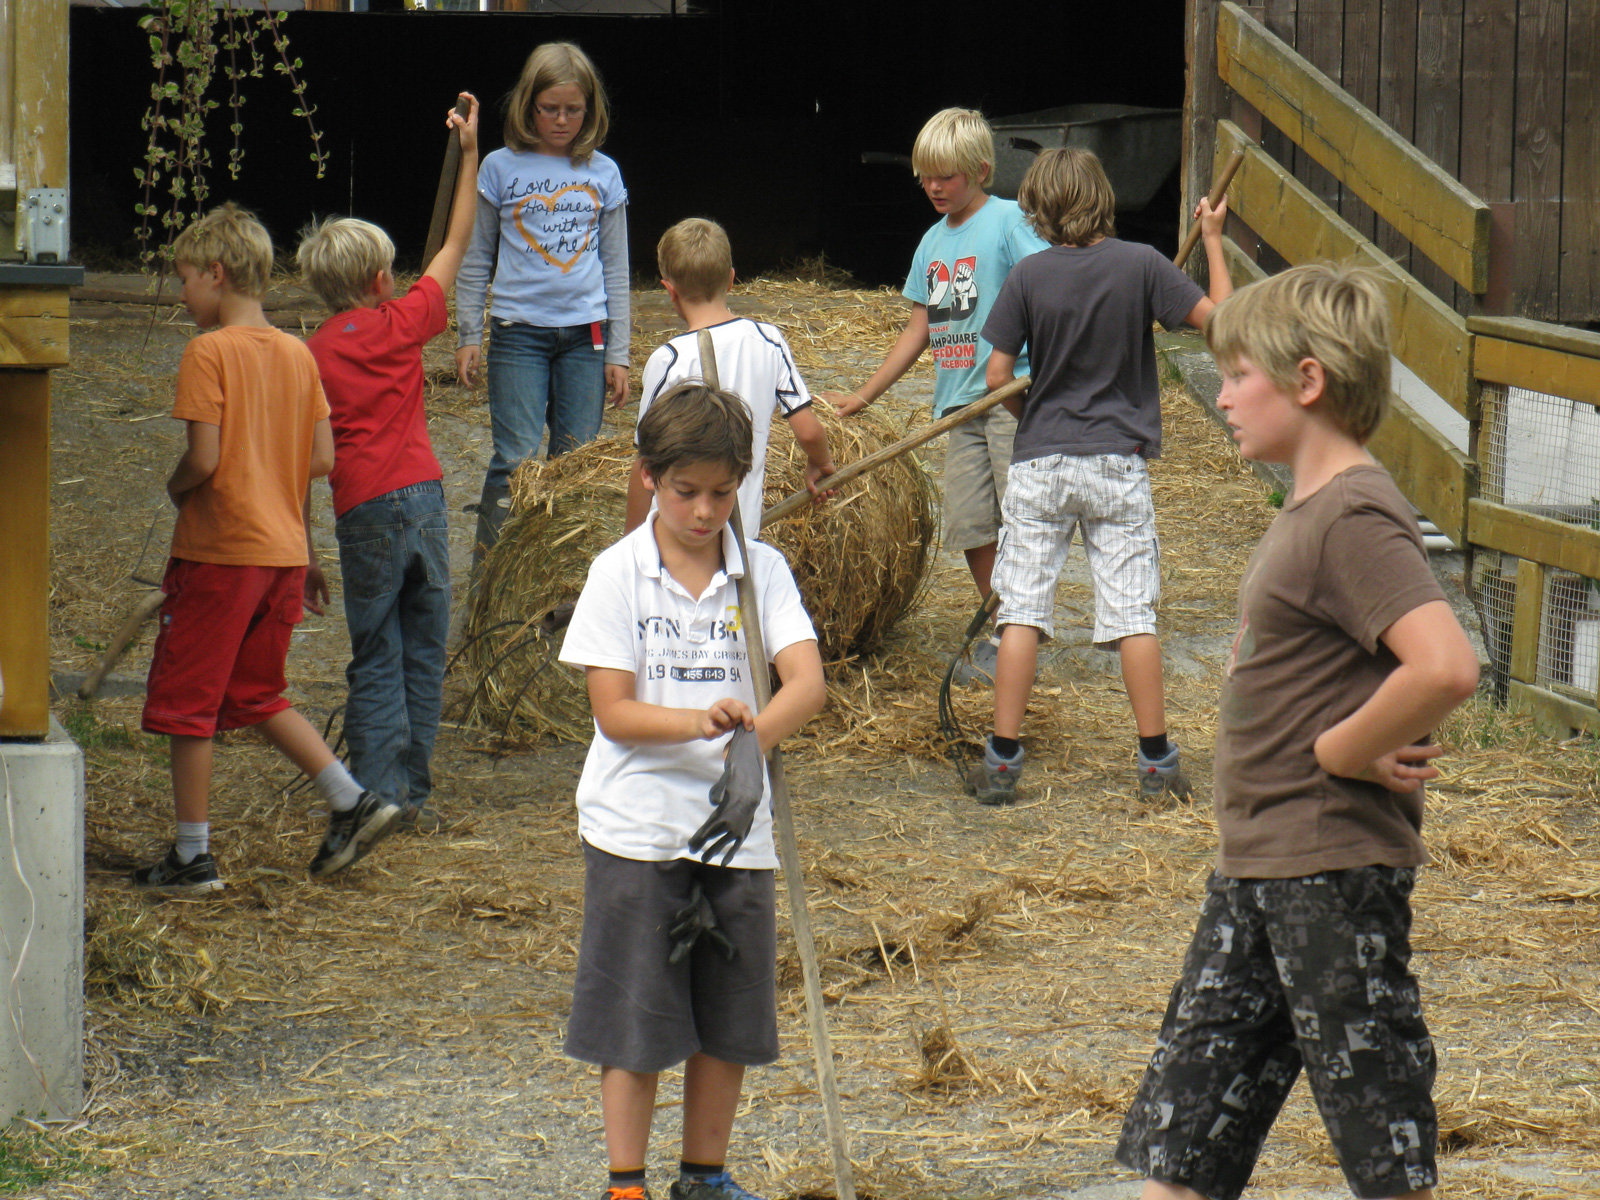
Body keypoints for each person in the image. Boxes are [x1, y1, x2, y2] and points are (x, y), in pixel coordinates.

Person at [1116, 262, 1480, 1200]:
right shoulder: (1309, 507)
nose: (1224, 396)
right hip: (1258, 867)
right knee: (1179, 1148)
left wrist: (1341, 749)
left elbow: (1443, 663)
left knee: (1384, 1157)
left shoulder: (1353, 512)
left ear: (1307, 381)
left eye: (1239, 375)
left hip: (1329, 876)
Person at [558, 384, 826, 1200]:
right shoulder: (618, 574)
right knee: (635, 1020)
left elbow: (805, 682)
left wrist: (756, 743)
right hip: (639, 830)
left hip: (736, 831)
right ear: (648, 479)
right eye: (686, 492)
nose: (705, 511)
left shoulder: (761, 572)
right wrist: (704, 723)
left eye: (722, 491)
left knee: (729, 1018)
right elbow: (614, 711)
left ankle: (703, 1177)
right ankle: (625, 1183)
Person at [134, 204, 398, 894]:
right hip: (280, 554)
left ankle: (192, 855)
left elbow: (205, 458)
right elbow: (319, 459)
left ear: (217, 274)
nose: (184, 294)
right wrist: (307, 552)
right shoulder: (296, 354)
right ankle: (351, 799)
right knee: (256, 692)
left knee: (189, 703)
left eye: (186, 280)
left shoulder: (208, 352)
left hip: (221, 552)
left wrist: (175, 485)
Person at [967, 147, 1231, 804]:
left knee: (1022, 609)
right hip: (1116, 462)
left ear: (1041, 210)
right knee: (1131, 612)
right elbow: (1225, 328)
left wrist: (1036, 415)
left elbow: (997, 377)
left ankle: (1001, 761)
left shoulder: (1029, 276)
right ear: (1101, 195)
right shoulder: (1143, 265)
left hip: (1041, 463)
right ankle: (1156, 762)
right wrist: (1216, 242)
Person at [296, 93, 479, 835]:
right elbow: (459, 243)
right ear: (380, 281)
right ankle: (416, 796)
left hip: (362, 511)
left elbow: (304, 459)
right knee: (422, 655)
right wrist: (469, 155)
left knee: (376, 653)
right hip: (425, 502)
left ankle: (378, 796)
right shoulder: (404, 323)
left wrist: (304, 550)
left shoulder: (311, 355)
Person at [820, 107, 1048, 680]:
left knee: (1020, 517)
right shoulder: (930, 242)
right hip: (957, 409)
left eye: (946, 175)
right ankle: (1002, 619)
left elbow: (1048, 286)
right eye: (925, 176)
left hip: (1008, 399)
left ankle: (1017, 629)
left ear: (980, 168)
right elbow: (919, 328)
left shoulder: (1007, 221)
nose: (934, 186)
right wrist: (863, 396)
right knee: (972, 523)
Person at [455, 41, 630, 560]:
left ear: (590, 110)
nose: (561, 120)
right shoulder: (500, 167)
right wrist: (469, 332)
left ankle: (556, 576)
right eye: (549, 108)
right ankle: (492, 581)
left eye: (573, 110)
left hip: (586, 335)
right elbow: (474, 256)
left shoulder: (604, 172)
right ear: (529, 106)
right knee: (514, 458)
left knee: (575, 460)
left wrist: (619, 349)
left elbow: (617, 266)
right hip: (518, 332)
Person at [624, 217, 835, 538]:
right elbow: (807, 432)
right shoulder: (769, 340)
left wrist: (630, 544)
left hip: (674, 536)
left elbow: (645, 461)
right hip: (739, 534)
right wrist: (822, 463)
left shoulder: (669, 359)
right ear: (732, 280)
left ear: (668, 290)